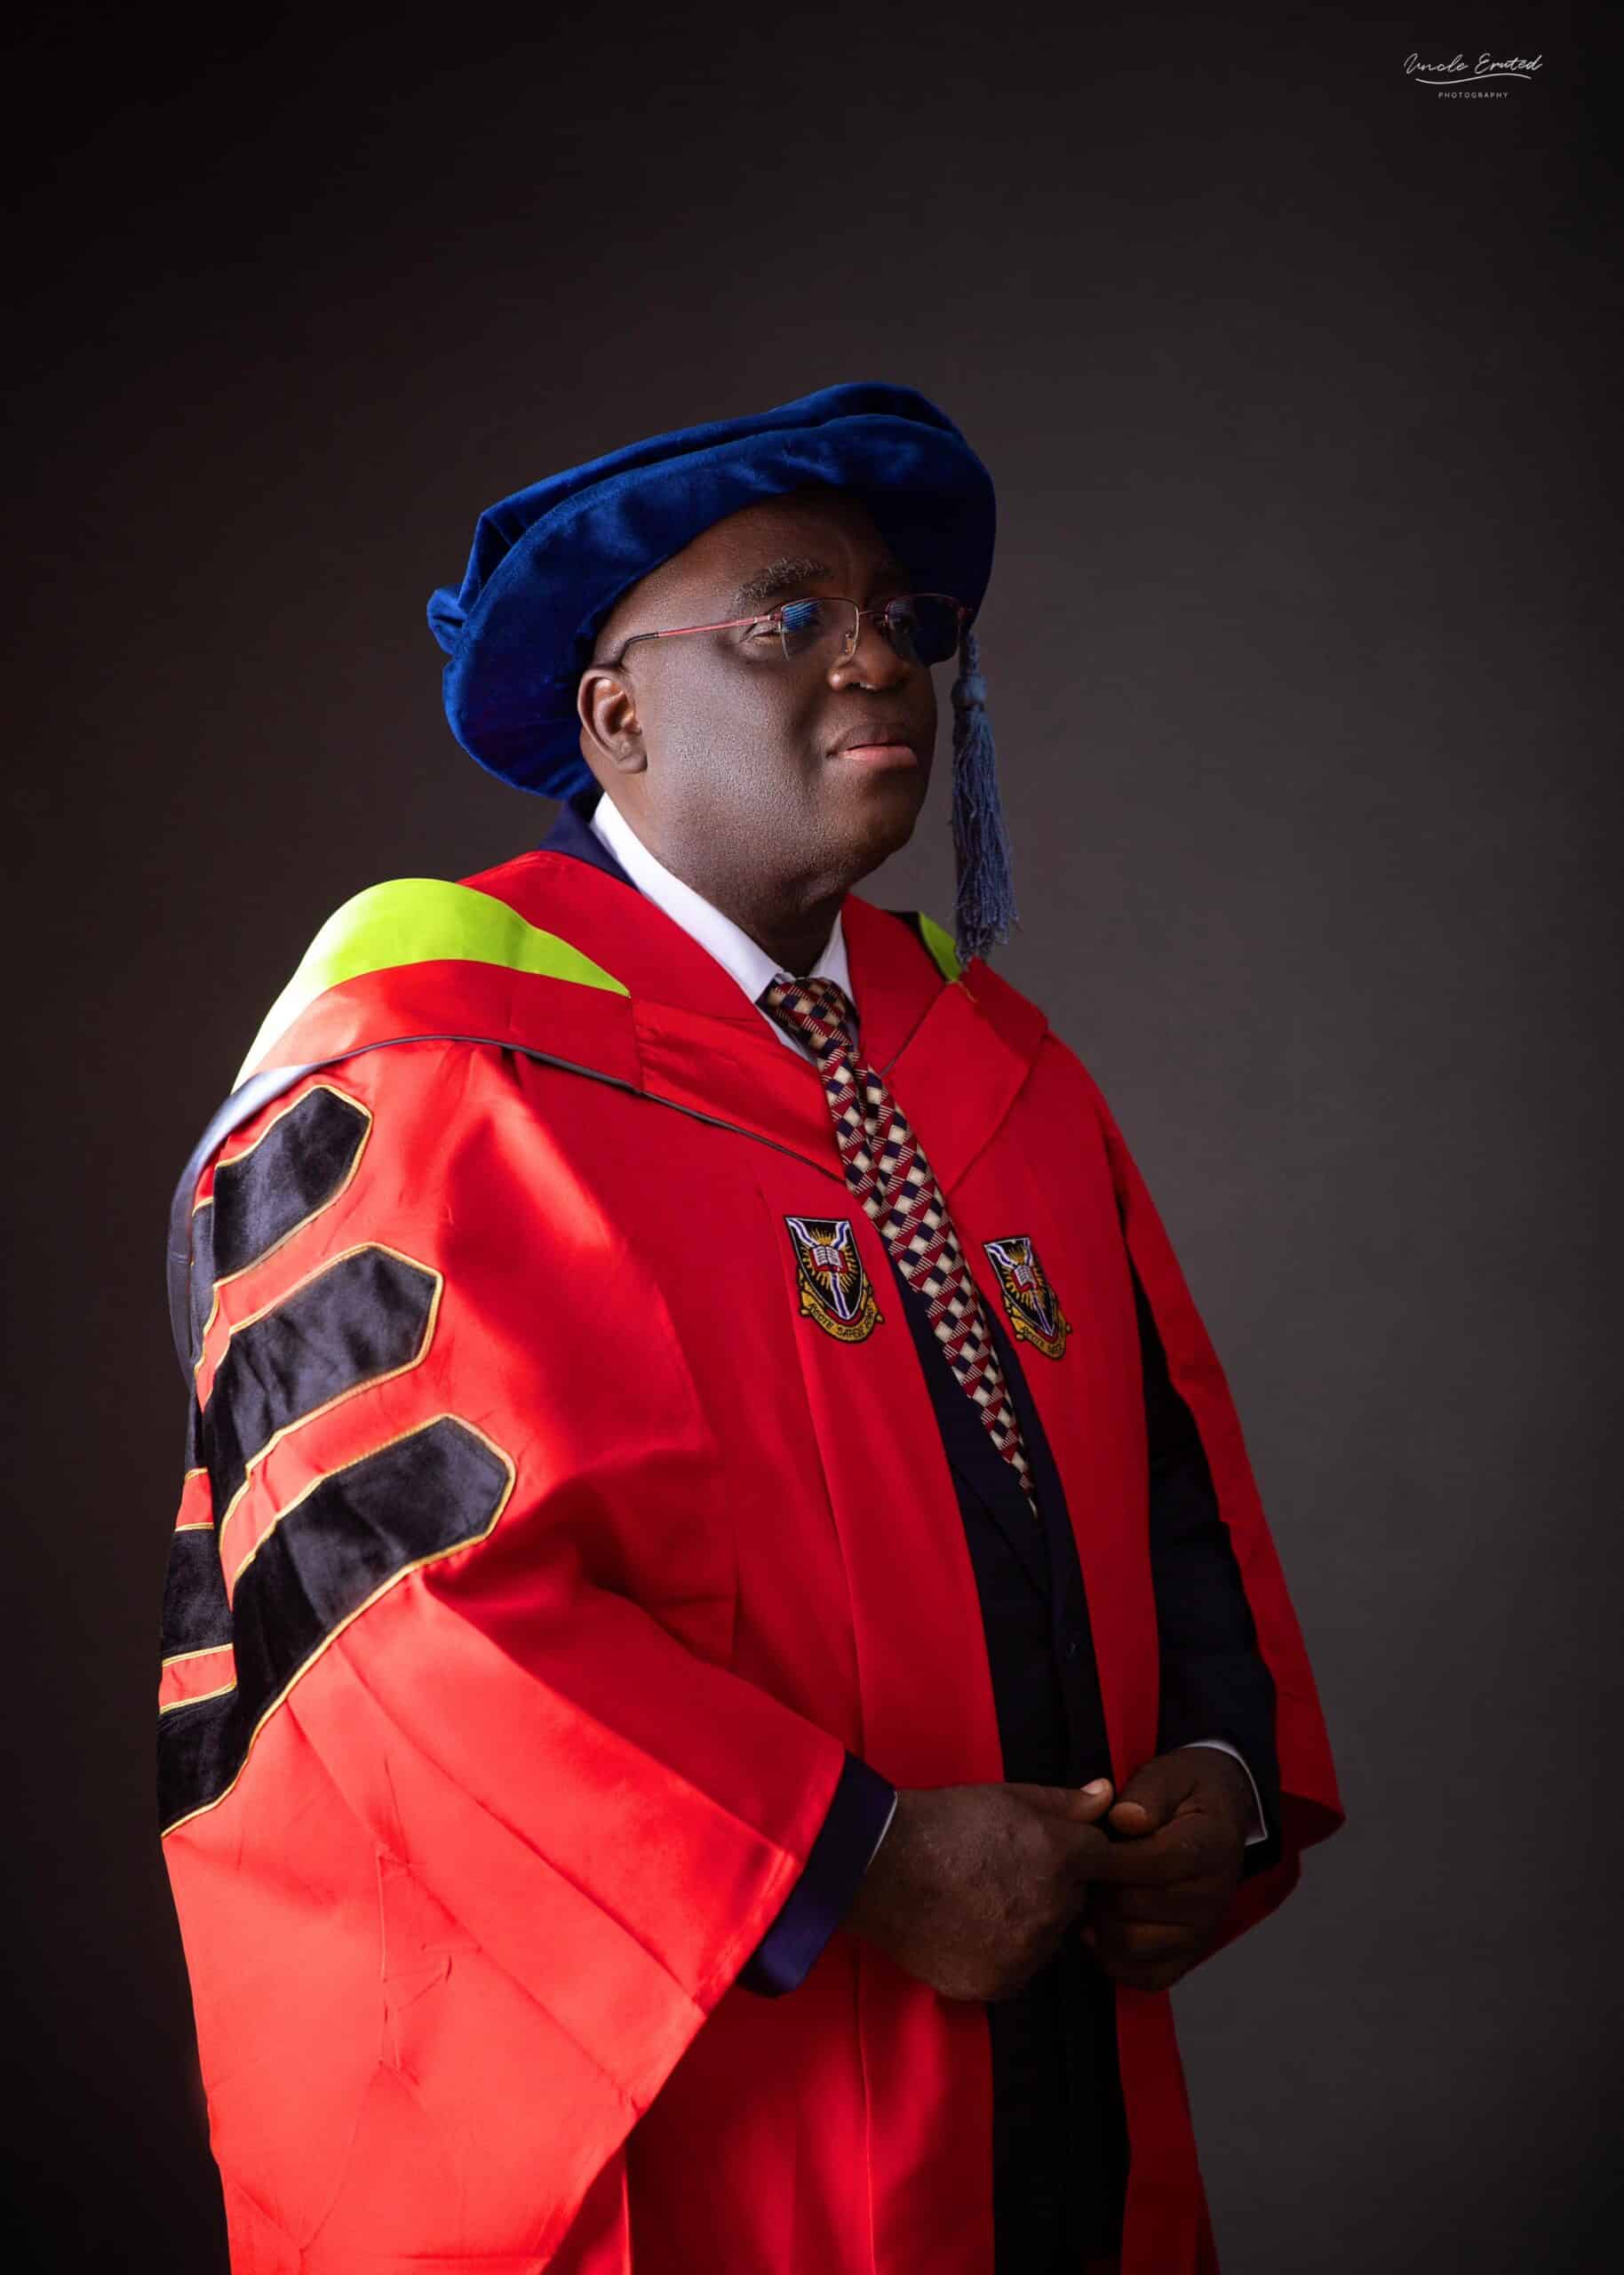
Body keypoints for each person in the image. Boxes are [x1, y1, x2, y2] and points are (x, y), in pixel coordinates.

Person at [157, 380, 1341, 2275]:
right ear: (614, 716)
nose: (877, 656)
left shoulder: (1000, 1071)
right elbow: (384, 1610)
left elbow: (1168, 1477)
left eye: (902, 617)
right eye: (788, 616)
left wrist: (1216, 1773)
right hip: (714, 2091)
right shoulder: (429, 1063)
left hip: (1049, 2067)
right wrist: (850, 1858)